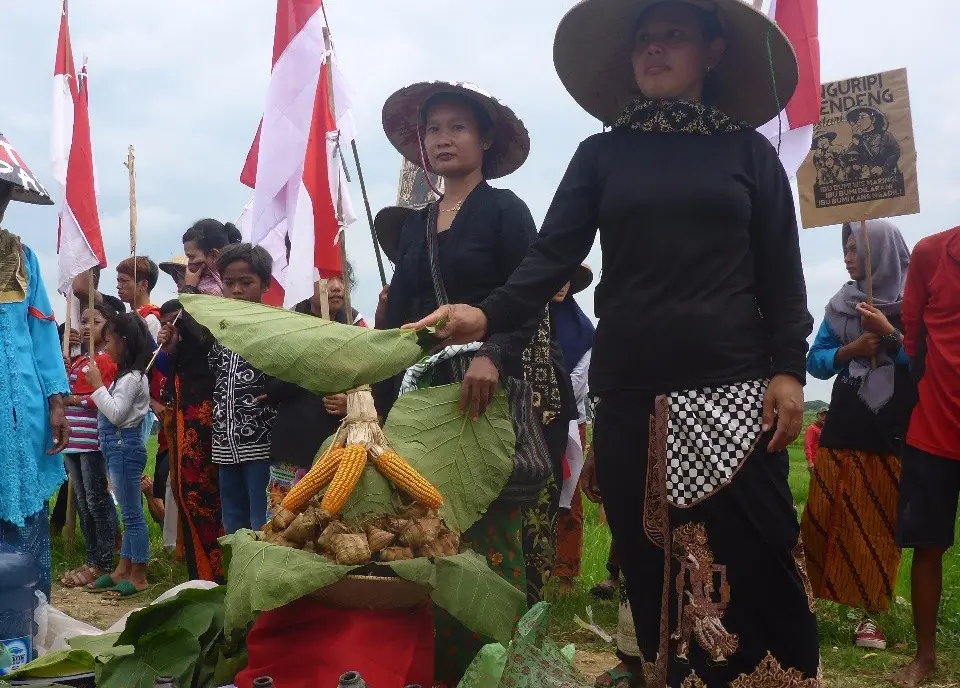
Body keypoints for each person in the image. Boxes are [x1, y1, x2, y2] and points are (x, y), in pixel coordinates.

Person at [406, 1, 821, 684]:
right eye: (644, 40)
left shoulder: (749, 153)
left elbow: (783, 272)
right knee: (648, 561)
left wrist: (790, 370)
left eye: (674, 37)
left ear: (712, 54)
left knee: (757, 552)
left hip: (735, 386)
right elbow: (547, 260)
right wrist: (484, 316)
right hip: (630, 393)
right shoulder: (601, 155)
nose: (655, 50)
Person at [375, 80, 559, 685]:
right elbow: (394, 318)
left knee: (487, 528)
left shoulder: (506, 211)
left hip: (484, 391)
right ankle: (435, 665)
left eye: (457, 127)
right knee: (425, 531)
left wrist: (496, 357)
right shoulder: (415, 227)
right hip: (420, 396)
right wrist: (370, 393)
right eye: (433, 130)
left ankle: (498, 666)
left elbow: (528, 299)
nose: (444, 139)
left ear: (484, 138)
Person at [801, 220, 914, 650]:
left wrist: (889, 334)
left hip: (890, 433)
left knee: (878, 521)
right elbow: (815, 361)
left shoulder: (912, 304)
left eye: (855, 249)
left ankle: (870, 618)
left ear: (879, 252)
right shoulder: (840, 306)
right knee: (826, 515)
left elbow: (922, 359)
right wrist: (850, 350)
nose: (847, 257)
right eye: (845, 249)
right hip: (844, 426)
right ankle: (808, 602)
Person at [0, 138, 70, 600]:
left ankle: (28, 610)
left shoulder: (23, 259)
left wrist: (57, 399)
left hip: (23, 409)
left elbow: (43, 335)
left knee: (24, 509)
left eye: (3, 193)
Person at [891, 225, 960, 688]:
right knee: (927, 547)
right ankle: (925, 657)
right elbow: (912, 336)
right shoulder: (931, 253)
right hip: (934, 428)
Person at [265, 262, 367, 519]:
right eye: (325, 278)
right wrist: (314, 358)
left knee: (333, 532)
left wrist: (351, 402)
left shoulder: (356, 327)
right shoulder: (288, 325)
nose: (336, 287)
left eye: (341, 279)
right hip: (295, 448)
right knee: (285, 527)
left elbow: (373, 383)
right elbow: (272, 387)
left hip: (342, 453)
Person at [209, 243, 276, 533]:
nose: (236, 290)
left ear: (265, 285)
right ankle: (235, 574)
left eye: (246, 282)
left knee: (263, 521)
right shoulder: (220, 329)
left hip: (262, 444)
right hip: (225, 443)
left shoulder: (274, 327)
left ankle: (261, 577)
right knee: (232, 520)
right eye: (229, 283)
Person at [156, 300, 225, 582]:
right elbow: (164, 365)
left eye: (177, 322)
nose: (172, 327)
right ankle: (202, 576)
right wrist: (171, 347)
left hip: (214, 427)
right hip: (186, 423)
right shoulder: (182, 352)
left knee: (213, 502)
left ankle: (221, 575)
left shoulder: (213, 321)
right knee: (188, 495)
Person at [84, 312, 152, 597]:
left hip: (125, 447)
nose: (106, 346)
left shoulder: (133, 379)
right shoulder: (125, 377)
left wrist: (98, 385)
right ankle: (122, 569)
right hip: (118, 448)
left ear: (124, 342)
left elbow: (115, 414)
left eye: (110, 340)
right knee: (128, 513)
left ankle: (139, 575)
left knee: (133, 515)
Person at [116, 255, 177, 552]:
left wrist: (153, 400)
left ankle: (136, 549)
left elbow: (152, 366)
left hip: (143, 405)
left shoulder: (151, 319)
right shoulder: (130, 318)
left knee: (130, 475)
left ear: (142, 284)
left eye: (124, 281)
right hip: (127, 400)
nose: (118, 287)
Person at [59, 302, 121, 588]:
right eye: (83, 321)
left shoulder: (105, 361)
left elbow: (99, 398)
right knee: (84, 502)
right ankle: (93, 557)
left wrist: (71, 400)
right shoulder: (81, 360)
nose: (86, 327)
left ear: (108, 326)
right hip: (74, 441)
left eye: (94, 321)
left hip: (93, 441)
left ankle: (104, 561)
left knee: (97, 501)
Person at [552, 265, 596, 595]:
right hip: (529, 419)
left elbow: (577, 385)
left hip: (569, 421)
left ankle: (565, 572)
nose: (561, 285)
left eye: (567, 278)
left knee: (570, 493)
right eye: (554, 276)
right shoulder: (527, 323)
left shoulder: (583, 331)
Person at [181, 219, 243, 296]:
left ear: (214, 255)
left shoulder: (210, 291)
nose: (189, 263)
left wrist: (189, 289)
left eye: (192, 257)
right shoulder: (244, 278)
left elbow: (190, 308)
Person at [846, 106, 901, 179]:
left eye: (862, 117)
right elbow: (851, 159)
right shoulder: (858, 139)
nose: (859, 121)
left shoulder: (885, 135)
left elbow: (895, 153)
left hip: (887, 178)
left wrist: (883, 169)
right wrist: (857, 141)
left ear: (873, 119)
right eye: (858, 119)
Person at [804, 409, 827, 473]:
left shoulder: (825, 429)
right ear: (817, 416)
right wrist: (810, 462)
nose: (824, 417)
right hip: (815, 462)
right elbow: (807, 445)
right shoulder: (812, 428)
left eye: (826, 415)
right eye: (822, 415)